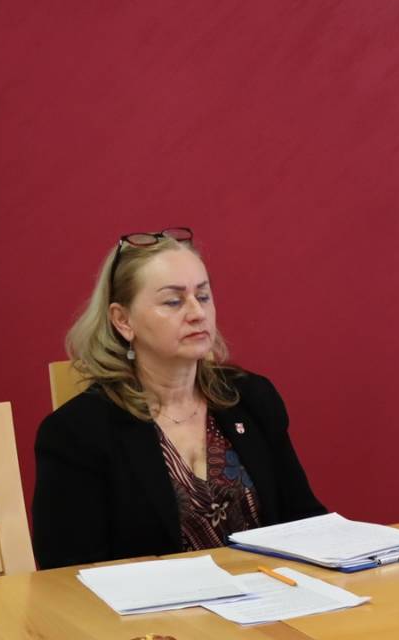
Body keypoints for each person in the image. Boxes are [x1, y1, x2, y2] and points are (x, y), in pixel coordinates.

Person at [32, 228, 325, 569]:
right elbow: (67, 572)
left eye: (203, 296)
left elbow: (305, 520)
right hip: (150, 605)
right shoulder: (77, 432)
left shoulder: (250, 397)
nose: (197, 312)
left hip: (271, 596)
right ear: (123, 320)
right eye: (173, 301)